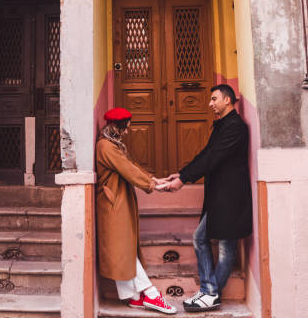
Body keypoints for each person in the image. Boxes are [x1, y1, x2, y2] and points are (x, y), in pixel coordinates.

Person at [156, 84, 253, 312]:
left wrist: (183, 180)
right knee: (212, 241)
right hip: (220, 195)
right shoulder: (223, 125)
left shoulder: (235, 127)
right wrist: (182, 173)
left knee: (219, 244)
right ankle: (211, 293)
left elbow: (213, 158)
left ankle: (210, 292)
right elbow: (206, 154)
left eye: (214, 99)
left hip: (230, 196)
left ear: (227, 100)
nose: (210, 103)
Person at [96, 107, 177, 314]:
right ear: (118, 126)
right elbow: (127, 168)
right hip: (113, 204)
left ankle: (134, 298)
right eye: (126, 126)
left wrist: (153, 180)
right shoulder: (106, 146)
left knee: (123, 250)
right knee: (123, 251)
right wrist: (152, 186)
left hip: (117, 202)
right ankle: (151, 294)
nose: (128, 130)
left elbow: (130, 164)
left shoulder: (111, 145)